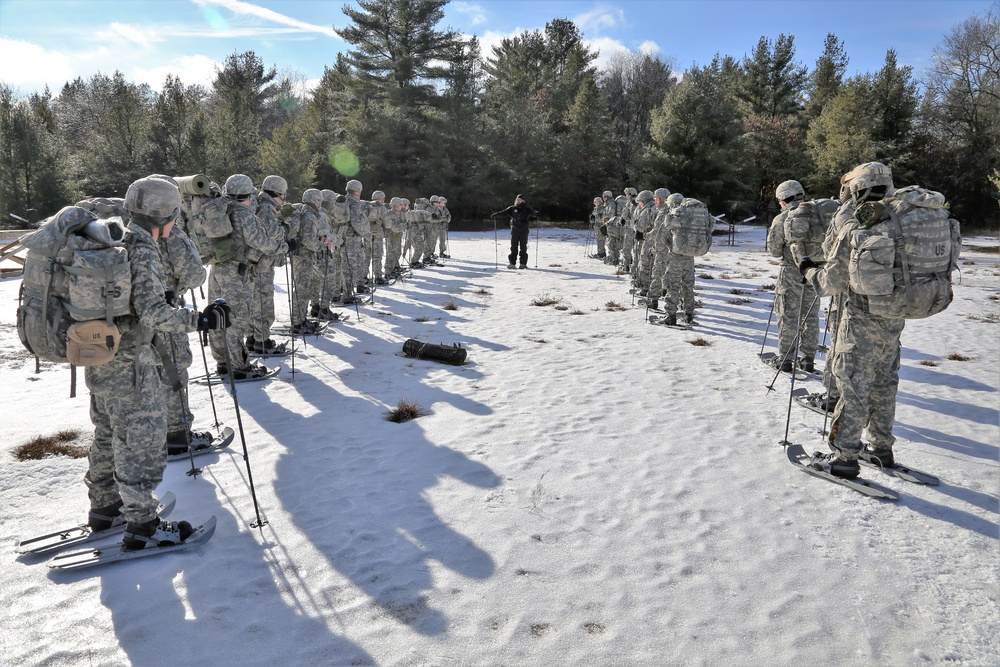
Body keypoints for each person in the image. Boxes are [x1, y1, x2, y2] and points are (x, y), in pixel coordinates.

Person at [85, 176, 231, 549]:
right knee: (140, 442)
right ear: (166, 214)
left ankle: (104, 508)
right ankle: (143, 526)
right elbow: (153, 313)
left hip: (99, 354)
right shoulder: (143, 247)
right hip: (133, 361)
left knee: (107, 433)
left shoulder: (112, 238)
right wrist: (200, 320)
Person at [799, 163, 959, 479]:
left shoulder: (860, 222)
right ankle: (881, 449)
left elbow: (832, 282)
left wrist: (808, 270)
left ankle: (844, 458)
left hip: (860, 317)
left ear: (856, 188)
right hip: (895, 315)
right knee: (885, 382)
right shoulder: (899, 217)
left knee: (854, 384)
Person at [207, 174, 292, 379]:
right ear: (248, 192)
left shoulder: (222, 209)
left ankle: (222, 362)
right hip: (236, 271)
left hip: (218, 268)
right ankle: (239, 366)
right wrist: (286, 246)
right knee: (235, 319)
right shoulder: (243, 214)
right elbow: (261, 242)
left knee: (218, 316)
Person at [767, 180, 820, 372]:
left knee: (788, 314)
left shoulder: (783, 218)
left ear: (782, 199)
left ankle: (786, 359)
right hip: (816, 272)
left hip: (791, 271)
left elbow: (773, 250)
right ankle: (808, 359)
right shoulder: (816, 212)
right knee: (810, 315)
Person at [249, 174, 289, 355]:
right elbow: (273, 233)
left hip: (256, 261)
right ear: (279, 192)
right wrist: (285, 229)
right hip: (262, 262)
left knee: (255, 300)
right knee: (264, 301)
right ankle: (262, 341)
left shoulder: (258, 205)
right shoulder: (266, 208)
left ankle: (252, 338)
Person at [493, 194, 538, 269]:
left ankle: (523, 263)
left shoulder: (527, 209)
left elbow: (533, 212)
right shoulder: (512, 208)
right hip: (515, 230)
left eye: (520, 200)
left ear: (523, 201)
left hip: (524, 230)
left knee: (523, 247)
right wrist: (496, 215)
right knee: (514, 247)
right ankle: (512, 263)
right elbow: (504, 212)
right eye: (517, 200)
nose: (518, 201)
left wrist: (536, 214)